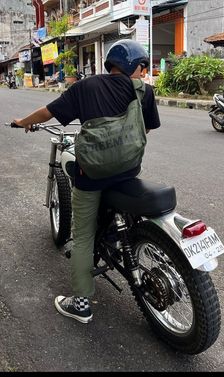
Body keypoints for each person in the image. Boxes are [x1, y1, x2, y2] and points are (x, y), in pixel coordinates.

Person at [13, 39, 161, 324]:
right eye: (143, 68)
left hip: (91, 175)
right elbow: (148, 129)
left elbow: (47, 113)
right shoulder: (146, 92)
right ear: (134, 66)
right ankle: (115, 237)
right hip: (129, 170)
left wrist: (22, 121)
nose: (144, 73)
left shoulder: (86, 87)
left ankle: (81, 303)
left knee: (82, 237)